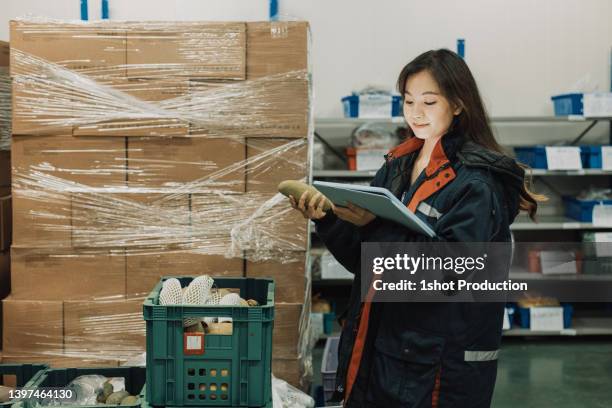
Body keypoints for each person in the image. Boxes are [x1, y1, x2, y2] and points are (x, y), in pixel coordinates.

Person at [288, 49, 545, 407]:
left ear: (457, 104)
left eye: (429, 101)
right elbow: (366, 264)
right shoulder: (398, 165)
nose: (416, 112)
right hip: (380, 347)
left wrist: (377, 228)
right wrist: (327, 219)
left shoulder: (476, 182)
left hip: (437, 366)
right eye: (408, 101)